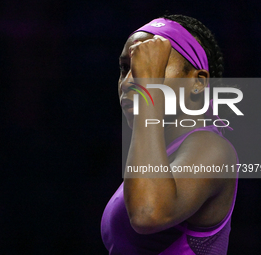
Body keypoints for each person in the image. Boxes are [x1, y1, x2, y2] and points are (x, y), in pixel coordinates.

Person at [101, 14, 238, 255]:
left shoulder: (213, 148)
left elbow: (148, 213)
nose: (129, 82)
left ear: (198, 83)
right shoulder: (159, 156)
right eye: (125, 69)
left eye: (153, 68)